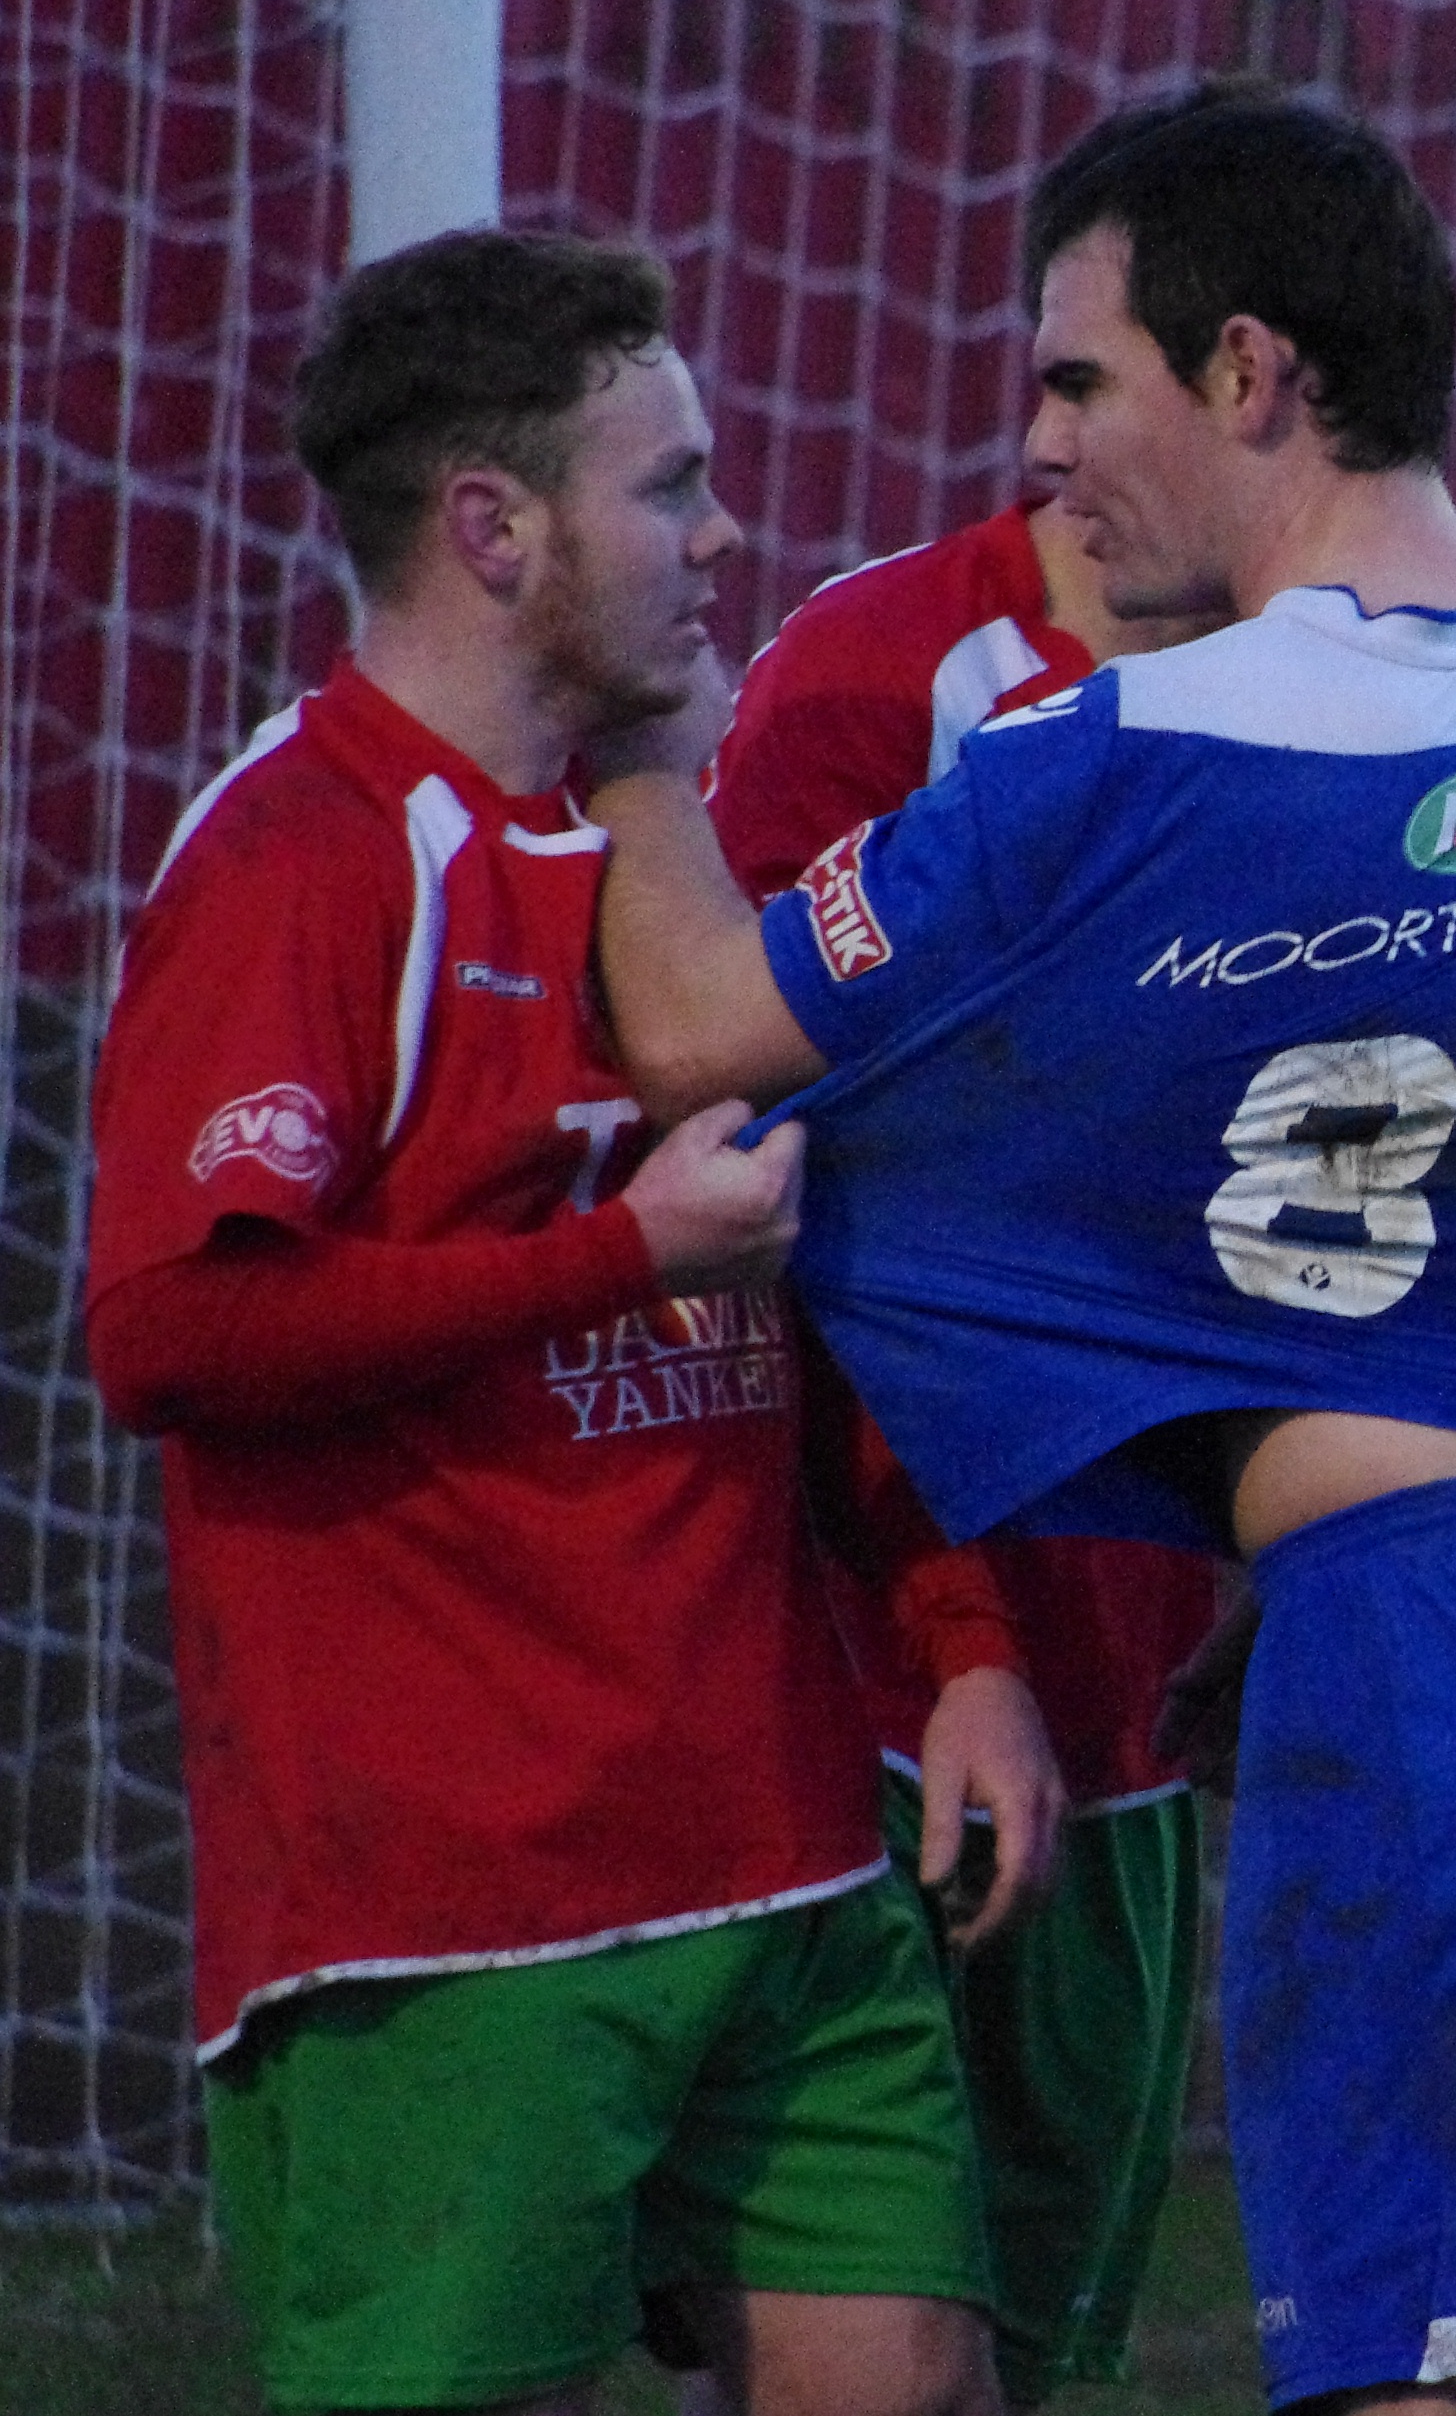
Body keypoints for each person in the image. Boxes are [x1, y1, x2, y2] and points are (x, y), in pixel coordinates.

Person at [581, 90, 1456, 2416]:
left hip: (1446, 1661)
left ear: (1247, 374)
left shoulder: (1121, 752)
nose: (1045, 453)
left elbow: (688, 1024)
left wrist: (639, 737)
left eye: (1080, 380)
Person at [84, 228, 1007, 2416]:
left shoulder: (660, 859)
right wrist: (615, 1256)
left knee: (918, 2379)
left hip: (783, 1848)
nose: (721, 532)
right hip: (451, 1901)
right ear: (493, 527)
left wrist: (960, 1632)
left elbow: (802, 1298)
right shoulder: (303, 851)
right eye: (667, 484)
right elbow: (170, 1332)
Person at [706, 489, 1228, 2410]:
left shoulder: (1355, 687)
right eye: (1047, 378)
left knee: (1031, 2351)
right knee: (868, 2352)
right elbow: (762, 1160)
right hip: (856, 1682)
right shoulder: (877, 674)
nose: (1044, 437)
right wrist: (954, 1636)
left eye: (1090, 385)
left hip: (1139, 1690)